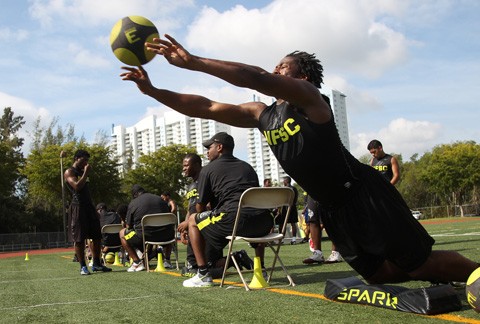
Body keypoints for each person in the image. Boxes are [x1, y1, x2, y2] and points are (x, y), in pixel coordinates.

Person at [120, 34, 479, 284]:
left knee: (421, 262)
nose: (275, 71)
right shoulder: (262, 113)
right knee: (381, 275)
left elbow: (253, 75)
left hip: (363, 195)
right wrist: (153, 90)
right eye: (275, 67)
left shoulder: (310, 99)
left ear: (302, 76)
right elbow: (206, 106)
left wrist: (194, 61)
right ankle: (434, 277)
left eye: (283, 67)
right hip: (332, 208)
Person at [180, 132, 273, 287]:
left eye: (210, 147)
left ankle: (203, 274)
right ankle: (260, 268)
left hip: (234, 221)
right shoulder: (247, 167)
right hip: (264, 223)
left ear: (220, 147)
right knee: (252, 212)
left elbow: (200, 207)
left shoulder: (207, 170)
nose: (207, 151)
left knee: (192, 220)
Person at [64, 149, 112, 275]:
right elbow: (77, 187)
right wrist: (85, 173)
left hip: (88, 207)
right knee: (79, 238)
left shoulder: (82, 172)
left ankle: (96, 263)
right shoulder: (70, 171)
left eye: (87, 160)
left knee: (97, 236)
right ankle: (83, 266)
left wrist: (93, 208)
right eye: (83, 159)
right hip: (77, 207)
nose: (86, 162)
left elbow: (86, 192)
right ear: (76, 158)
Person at [120, 184, 173, 272]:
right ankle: (167, 260)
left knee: (122, 233)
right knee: (166, 228)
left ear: (134, 195)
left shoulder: (133, 203)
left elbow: (128, 226)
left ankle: (137, 262)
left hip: (145, 236)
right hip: (167, 236)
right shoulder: (160, 199)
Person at [178, 153, 203, 277]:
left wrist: (189, 223)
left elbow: (207, 206)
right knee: (189, 269)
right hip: (194, 226)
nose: (184, 168)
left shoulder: (205, 180)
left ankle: (236, 257)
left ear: (197, 165)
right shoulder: (191, 185)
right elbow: (190, 207)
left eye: (186, 165)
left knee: (206, 267)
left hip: (205, 225)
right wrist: (185, 225)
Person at [282, 176, 300, 244]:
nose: (283, 182)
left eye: (284, 180)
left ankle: (283, 240)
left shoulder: (286, 189)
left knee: (284, 224)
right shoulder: (294, 188)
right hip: (292, 207)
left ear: (286, 181)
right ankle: (293, 239)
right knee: (293, 224)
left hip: (287, 207)